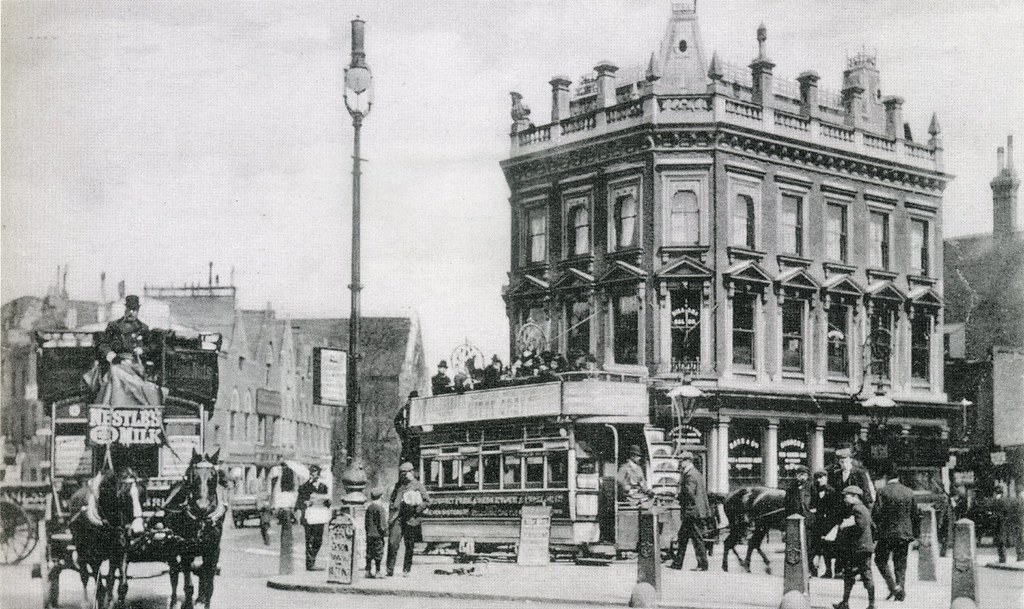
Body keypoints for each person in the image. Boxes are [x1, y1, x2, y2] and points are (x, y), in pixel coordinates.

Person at [86, 295, 164, 405]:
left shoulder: (143, 328)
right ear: (125, 309)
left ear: (138, 310)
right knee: (115, 372)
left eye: (134, 310)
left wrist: (142, 350)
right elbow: (103, 344)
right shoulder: (114, 326)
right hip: (117, 362)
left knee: (141, 383)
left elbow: (152, 346)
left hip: (136, 365)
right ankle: (115, 405)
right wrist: (111, 355)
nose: (131, 312)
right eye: (129, 309)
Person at [872, 466, 919, 602]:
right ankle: (900, 588)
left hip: (886, 534)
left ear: (886, 477)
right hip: (904, 534)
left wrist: (877, 531)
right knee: (901, 563)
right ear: (898, 478)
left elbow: (876, 513)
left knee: (880, 560)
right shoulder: (909, 492)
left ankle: (893, 587)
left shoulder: (882, 492)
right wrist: (915, 534)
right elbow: (915, 514)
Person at [833, 486, 876, 609]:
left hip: (858, 548)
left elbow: (860, 526)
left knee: (857, 575)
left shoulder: (857, 509)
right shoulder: (864, 508)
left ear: (855, 496)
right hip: (863, 547)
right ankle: (865, 604)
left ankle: (852, 603)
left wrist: (845, 527)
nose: (844, 499)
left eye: (846, 496)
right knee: (858, 574)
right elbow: (873, 527)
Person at [387, 461, 430, 577]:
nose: (403, 475)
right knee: (392, 543)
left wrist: (417, 509)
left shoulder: (418, 485)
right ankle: (389, 569)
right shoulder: (398, 485)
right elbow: (392, 499)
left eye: (405, 473)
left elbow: (427, 501)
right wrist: (393, 507)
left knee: (409, 545)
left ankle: (406, 570)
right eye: (401, 473)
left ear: (411, 472)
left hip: (411, 518)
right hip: (398, 517)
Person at [670, 450, 710, 571]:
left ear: (688, 461)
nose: (680, 463)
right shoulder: (693, 473)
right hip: (692, 511)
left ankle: (703, 564)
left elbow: (689, 493)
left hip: (692, 512)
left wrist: (678, 496)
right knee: (683, 537)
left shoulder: (691, 475)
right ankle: (677, 563)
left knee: (697, 539)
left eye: (681, 461)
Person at [296, 464, 329, 571]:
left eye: (314, 473)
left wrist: (327, 502)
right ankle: (310, 564)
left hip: (319, 516)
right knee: (310, 539)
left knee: (319, 540)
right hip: (309, 516)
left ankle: (313, 559)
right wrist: (305, 503)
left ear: (318, 474)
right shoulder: (304, 487)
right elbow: (298, 503)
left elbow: (327, 502)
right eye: (311, 473)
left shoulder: (323, 487)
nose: (312, 475)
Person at [810, 469, 841, 578]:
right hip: (818, 524)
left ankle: (829, 570)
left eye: (821, 477)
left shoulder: (832, 491)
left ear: (826, 478)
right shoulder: (814, 491)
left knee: (828, 547)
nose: (819, 480)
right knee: (818, 547)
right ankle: (818, 570)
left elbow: (836, 509)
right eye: (817, 478)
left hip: (829, 524)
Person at [828, 445, 875, 509]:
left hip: (856, 505)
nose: (844, 464)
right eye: (842, 462)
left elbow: (866, 491)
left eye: (846, 461)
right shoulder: (837, 474)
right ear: (839, 462)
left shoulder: (859, 473)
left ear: (850, 460)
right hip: (841, 507)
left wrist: (864, 505)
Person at [365, 488, 388, 578]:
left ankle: (368, 571)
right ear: (381, 497)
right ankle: (378, 571)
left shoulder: (369, 507)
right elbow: (382, 523)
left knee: (369, 553)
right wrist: (385, 532)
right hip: (378, 535)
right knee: (378, 553)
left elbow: (366, 523)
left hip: (370, 534)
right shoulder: (380, 508)